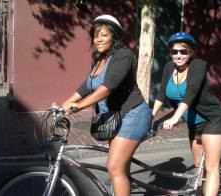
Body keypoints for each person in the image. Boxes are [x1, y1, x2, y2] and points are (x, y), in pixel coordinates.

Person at [57, 15, 152, 196]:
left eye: (104, 35)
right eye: (95, 35)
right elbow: (86, 87)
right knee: (120, 167)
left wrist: (77, 107)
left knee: (114, 166)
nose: (98, 39)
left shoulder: (123, 55)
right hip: (113, 118)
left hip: (133, 115)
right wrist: (63, 106)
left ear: (114, 36)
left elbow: (107, 87)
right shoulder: (99, 60)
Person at [152, 32, 221, 196]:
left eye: (183, 51)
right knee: (198, 163)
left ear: (191, 52)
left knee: (211, 167)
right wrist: (151, 117)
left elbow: (191, 92)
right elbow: (161, 93)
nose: (178, 55)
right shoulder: (169, 67)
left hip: (211, 119)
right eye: (175, 51)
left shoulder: (198, 65)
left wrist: (175, 118)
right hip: (193, 123)